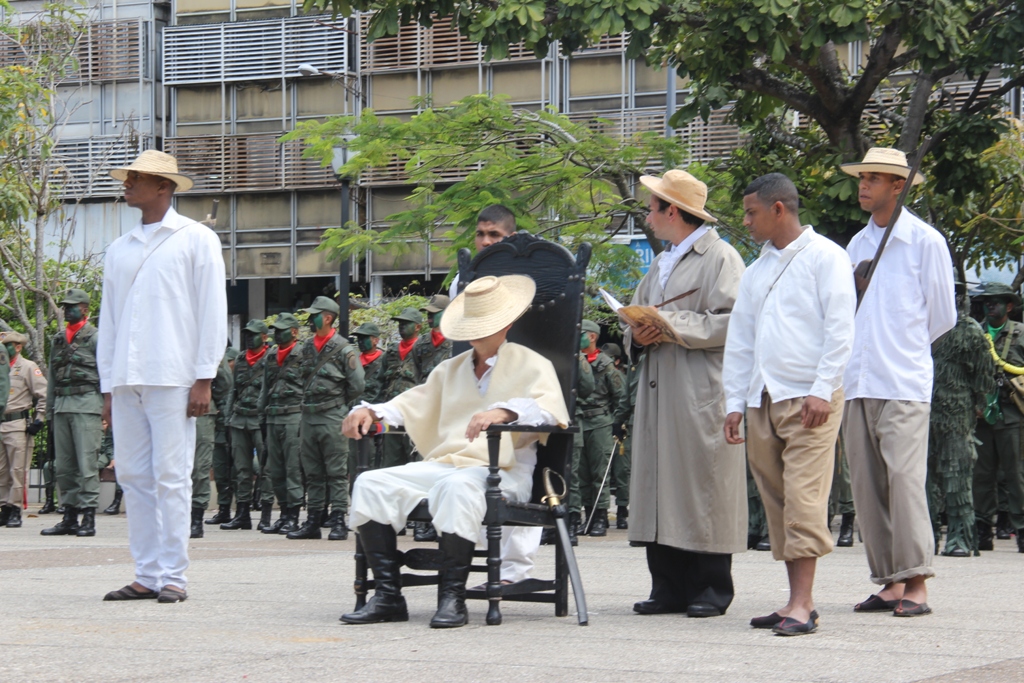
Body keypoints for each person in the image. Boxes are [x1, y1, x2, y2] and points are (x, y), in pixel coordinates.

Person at [341, 275, 569, 628]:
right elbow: (411, 403)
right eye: (472, 325)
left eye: (487, 324)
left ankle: (452, 597)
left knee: (458, 487)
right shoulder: (451, 368)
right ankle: (388, 596)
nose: (477, 332)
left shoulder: (531, 363)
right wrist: (370, 410)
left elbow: (550, 411)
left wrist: (505, 411)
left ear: (506, 323)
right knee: (371, 483)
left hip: (503, 473)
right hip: (448, 465)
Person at [723, 173, 856, 636]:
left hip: (809, 397)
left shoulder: (826, 257)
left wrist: (823, 388)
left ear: (779, 209)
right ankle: (794, 602)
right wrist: (734, 402)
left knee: (803, 500)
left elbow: (841, 329)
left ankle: (803, 604)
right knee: (778, 502)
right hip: (763, 397)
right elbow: (740, 340)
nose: (746, 221)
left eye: (751, 212)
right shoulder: (757, 268)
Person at [98, 150, 227, 603]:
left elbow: (213, 311)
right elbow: (109, 321)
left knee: (172, 475)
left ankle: (174, 576)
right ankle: (146, 572)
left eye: (138, 178)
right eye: (129, 177)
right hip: (127, 378)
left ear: (164, 187)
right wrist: (107, 386)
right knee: (133, 475)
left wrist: (204, 377)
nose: (128, 183)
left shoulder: (195, 239)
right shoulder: (119, 248)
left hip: (174, 375)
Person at [624, 169, 746, 619]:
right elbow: (634, 320)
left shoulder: (721, 257)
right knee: (659, 483)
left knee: (702, 483)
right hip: (659, 388)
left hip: (699, 387)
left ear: (672, 211)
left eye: (652, 207)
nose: (648, 216)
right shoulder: (660, 262)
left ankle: (711, 588)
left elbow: (734, 322)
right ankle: (667, 587)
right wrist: (638, 333)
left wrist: (671, 325)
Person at [840, 147, 956, 616]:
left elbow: (942, 317)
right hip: (858, 379)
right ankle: (889, 581)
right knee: (867, 487)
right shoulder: (855, 246)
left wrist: (901, 347)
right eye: (863, 176)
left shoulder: (925, 242)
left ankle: (918, 582)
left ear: (898, 186)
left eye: (876, 178)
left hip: (903, 380)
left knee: (905, 482)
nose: (865, 185)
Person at [286, 296, 364, 541]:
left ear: (327, 318)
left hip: (332, 417)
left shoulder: (344, 348)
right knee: (313, 472)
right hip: (308, 417)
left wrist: (338, 405)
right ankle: (313, 521)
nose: (310, 318)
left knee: (337, 472)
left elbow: (357, 384)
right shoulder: (307, 348)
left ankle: (339, 519)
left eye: (315, 314)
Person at [927, 292, 994, 556]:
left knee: (957, 474)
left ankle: (961, 538)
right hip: (921, 410)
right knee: (922, 477)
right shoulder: (919, 325)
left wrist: (980, 404)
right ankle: (925, 538)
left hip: (956, 413)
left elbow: (984, 374)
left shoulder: (969, 330)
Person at [42, 289, 103, 539]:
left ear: (85, 309)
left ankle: (88, 516)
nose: (66, 310)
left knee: (87, 463)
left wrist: (107, 408)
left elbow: (106, 375)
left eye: (72, 306)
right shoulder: (58, 339)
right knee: (64, 466)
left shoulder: (97, 338)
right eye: (64, 306)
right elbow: (52, 378)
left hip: (87, 405)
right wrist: (49, 411)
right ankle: (69, 516)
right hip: (63, 406)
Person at [971, 282, 1024, 553]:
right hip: (981, 415)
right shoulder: (974, 332)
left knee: (1014, 474)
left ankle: (1021, 528)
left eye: (996, 301)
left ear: (1009, 306)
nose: (990, 306)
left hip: (1011, 413)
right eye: (986, 302)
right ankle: (982, 530)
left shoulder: (1020, 334)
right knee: (982, 475)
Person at [572, 320, 627, 537]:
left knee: (600, 473)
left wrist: (615, 423)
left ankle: (600, 517)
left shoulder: (606, 365)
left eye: (582, 333)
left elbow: (620, 397)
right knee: (580, 474)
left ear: (592, 336)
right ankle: (585, 515)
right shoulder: (575, 359)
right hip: (580, 420)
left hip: (600, 422)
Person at [258, 313, 305, 535]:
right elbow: (265, 389)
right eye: (275, 329)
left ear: (294, 331)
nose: (277, 333)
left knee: (292, 468)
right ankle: (284, 513)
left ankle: (294, 517)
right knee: (275, 469)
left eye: (282, 329)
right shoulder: (271, 356)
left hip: (293, 415)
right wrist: (262, 416)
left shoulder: (304, 353)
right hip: (273, 416)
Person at [221, 319, 270, 531]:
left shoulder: (272, 357)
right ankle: (242, 513)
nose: (249, 338)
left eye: (254, 334)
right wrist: (227, 417)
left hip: (260, 420)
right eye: (247, 334)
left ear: (265, 337)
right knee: (242, 469)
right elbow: (233, 391)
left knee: (266, 468)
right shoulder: (240, 359)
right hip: (240, 419)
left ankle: (266, 515)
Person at [0, 331, 43, 528]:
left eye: (7, 344)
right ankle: (4, 508)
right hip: (1, 423)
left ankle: (15, 509)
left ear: (18, 347)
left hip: (17, 425)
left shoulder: (27, 367)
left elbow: (43, 394)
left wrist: (39, 419)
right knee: (1, 472)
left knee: (17, 470)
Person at [190, 352, 232, 539]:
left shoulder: (206, 343)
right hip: (169, 407)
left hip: (202, 411)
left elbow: (224, 383)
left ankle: (196, 519)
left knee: (199, 466)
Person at [377, 307, 423, 469]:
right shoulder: (391, 352)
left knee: (416, 463)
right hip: (392, 416)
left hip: (415, 416)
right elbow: (381, 382)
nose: (401, 326)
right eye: (399, 323)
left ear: (418, 326)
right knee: (390, 463)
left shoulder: (424, 350)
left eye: (406, 323)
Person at [601, 343, 633, 530]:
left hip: (622, 428)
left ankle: (622, 511)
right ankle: (601, 512)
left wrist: (618, 422)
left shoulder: (621, 376)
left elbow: (622, 400)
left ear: (617, 360)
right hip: (605, 424)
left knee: (623, 470)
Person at [206, 345, 238, 525]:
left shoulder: (236, 382)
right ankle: (224, 508)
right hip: (220, 432)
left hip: (235, 431)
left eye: (230, 361)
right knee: (220, 470)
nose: (229, 364)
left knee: (237, 470)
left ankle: (242, 508)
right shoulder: (220, 388)